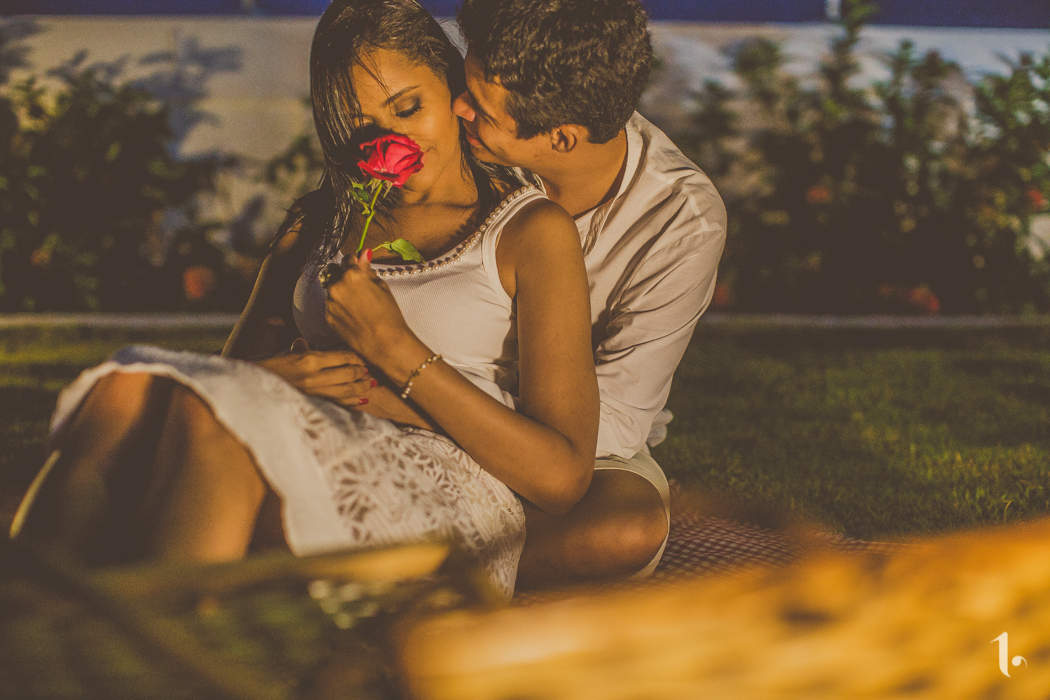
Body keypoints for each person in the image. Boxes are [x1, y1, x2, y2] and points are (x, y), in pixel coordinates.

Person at [14, 0, 598, 598]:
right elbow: (230, 376)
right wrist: (282, 378)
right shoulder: (318, 223)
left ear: (454, 92)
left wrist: (395, 351)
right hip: (298, 428)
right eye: (361, 126)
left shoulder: (528, 231)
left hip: (446, 479)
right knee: (125, 386)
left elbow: (562, 475)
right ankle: (30, 624)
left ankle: (158, 660)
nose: (388, 140)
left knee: (219, 420)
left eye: (407, 107)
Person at [453, 0, 727, 588]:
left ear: (562, 137)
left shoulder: (680, 218)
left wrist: (468, 418)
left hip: (565, 450)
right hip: (418, 403)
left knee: (624, 528)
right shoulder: (459, 153)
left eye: (480, 106)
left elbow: (624, 416)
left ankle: (406, 572)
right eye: (463, 85)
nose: (458, 108)